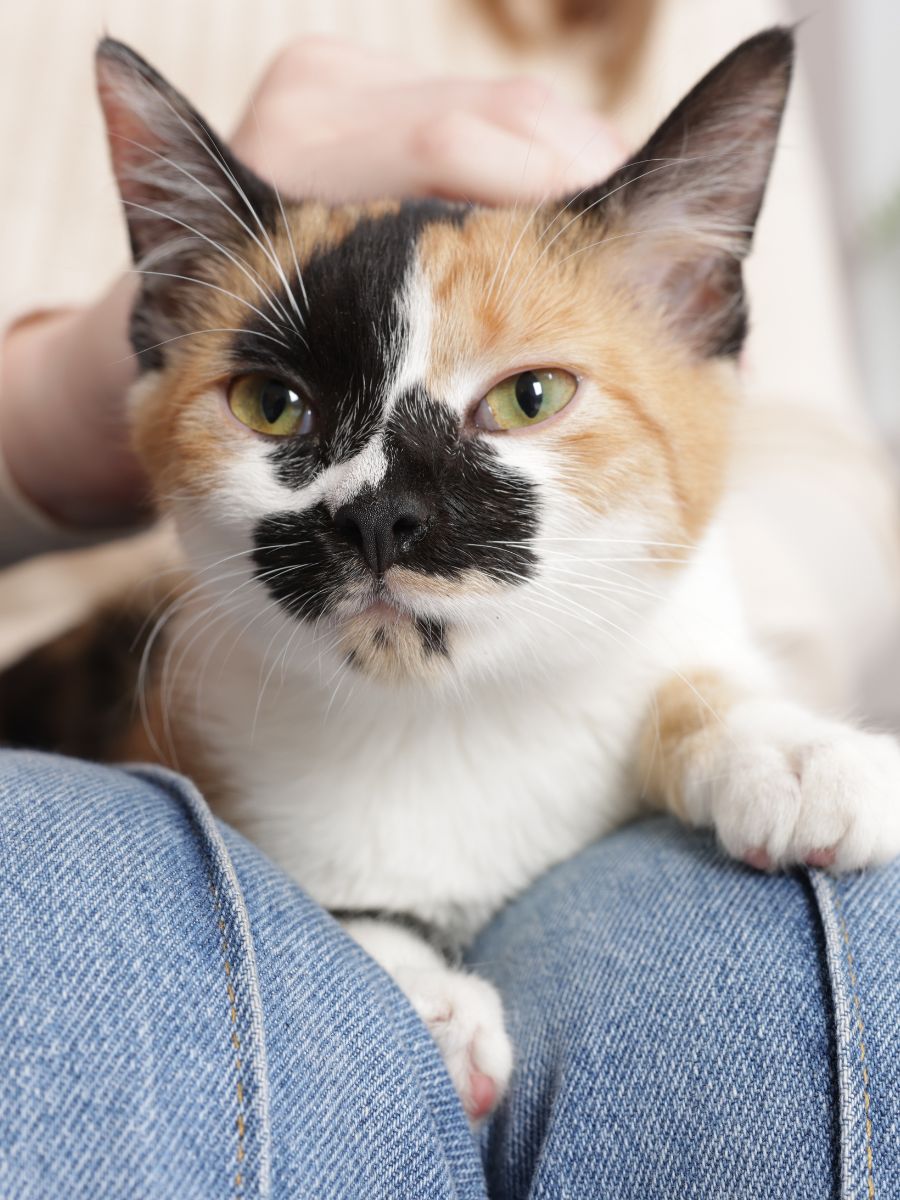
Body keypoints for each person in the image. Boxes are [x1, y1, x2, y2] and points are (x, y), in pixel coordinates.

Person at [1, 25, 899, 1200]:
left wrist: (701, 712)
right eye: (271, 404)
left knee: (811, 968)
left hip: (613, 719)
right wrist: (44, 407)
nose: (382, 518)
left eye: (525, 396)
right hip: (82, 702)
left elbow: (823, 469)